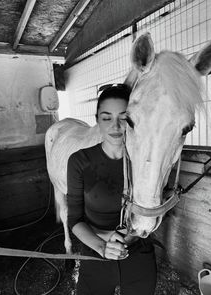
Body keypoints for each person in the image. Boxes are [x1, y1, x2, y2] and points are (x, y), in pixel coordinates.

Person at [67, 84, 157, 295]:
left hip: (138, 253)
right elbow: (74, 220)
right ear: (97, 119)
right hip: (95, 252)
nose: (115, 126)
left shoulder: (146, 162)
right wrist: (101, 246)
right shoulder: (80, 161)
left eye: (124, 118)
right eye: (107, 117)